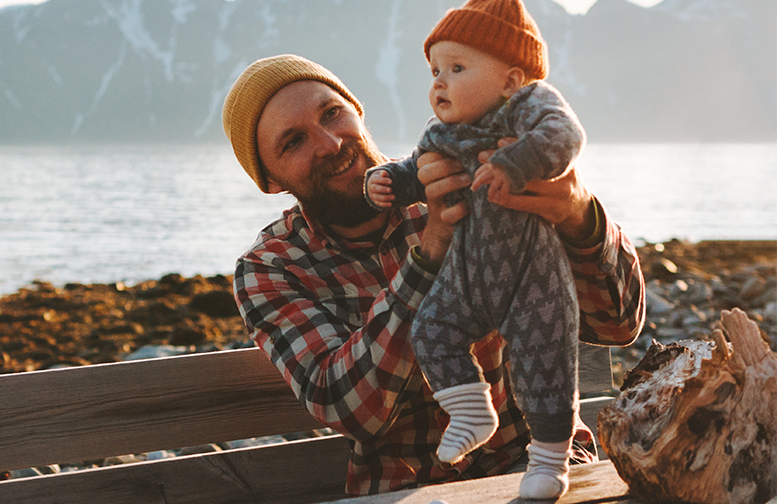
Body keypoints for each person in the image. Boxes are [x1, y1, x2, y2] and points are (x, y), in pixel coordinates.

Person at [220, 52, 644, 496]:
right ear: (269, 180)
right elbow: (349, 408)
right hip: (407, 493)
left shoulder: (467, 171)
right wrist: (431, 251)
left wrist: (577, 213)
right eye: (293, 142)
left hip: (540, 472)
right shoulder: (271, 267)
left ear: (357, 111)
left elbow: (618, 324)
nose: (330, 144)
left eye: (332, 113)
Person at [363, 0, 586, 499]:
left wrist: (519, 160)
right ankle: (470, 411)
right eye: (435, 70)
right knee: (433, 328)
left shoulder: (526, 108)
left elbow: (565, 134)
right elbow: (417, 168)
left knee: (545, 365)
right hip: (467, 272)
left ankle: (550, 463)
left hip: (531, 276)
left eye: (457, 69)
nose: (439, 83)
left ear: (511, 80)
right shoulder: (443, 133)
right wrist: (390, 181)